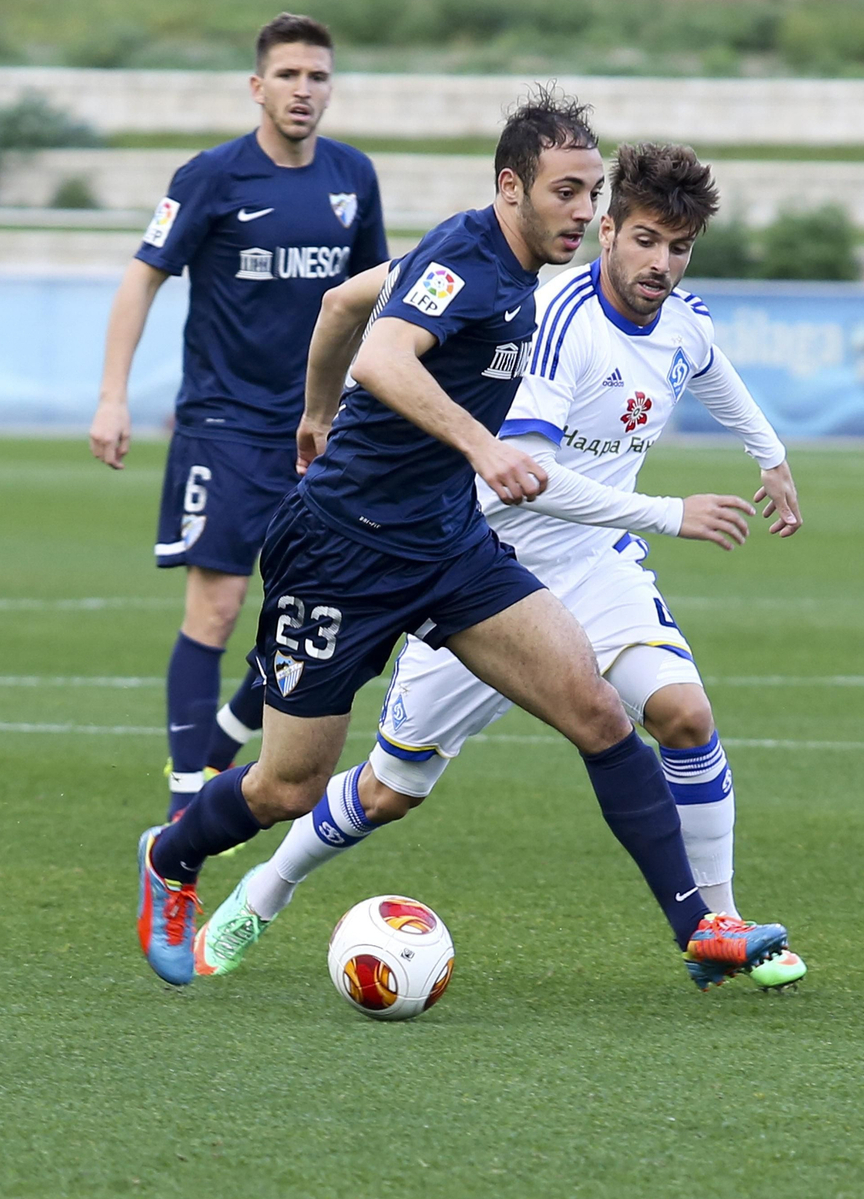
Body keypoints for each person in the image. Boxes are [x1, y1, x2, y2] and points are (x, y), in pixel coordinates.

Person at [135, 91, 792, 990]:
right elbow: (382, 354)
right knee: (291, 784)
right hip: (340, 549)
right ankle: (173, 857)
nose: (584, 212)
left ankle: (700, 930)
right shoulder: (465, 258)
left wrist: (315, 414)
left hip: (450, 545)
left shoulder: (525, 269)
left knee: (601, 715)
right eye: (567, 192)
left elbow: (342, 304)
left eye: (592, 193)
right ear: (510, 186)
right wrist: (480, 444)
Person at [89, 12, 387, 820]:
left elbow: (369, 303)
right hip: (223, 428)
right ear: (258, 87)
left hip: (321, 434)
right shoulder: (210, 177)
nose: (303, 89)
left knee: (314, 614)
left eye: (317, 75)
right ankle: (188, 801)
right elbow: (141, 277)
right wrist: (114, 396)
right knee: (217, 608)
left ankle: (225, 731)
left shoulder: (353, 178)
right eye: (288, 75)